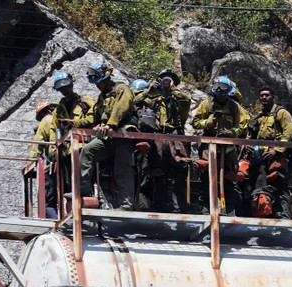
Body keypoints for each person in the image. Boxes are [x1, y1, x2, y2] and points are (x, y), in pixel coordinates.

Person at [77, 62, 136, 210]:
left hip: (123, 134)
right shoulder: (101, 97)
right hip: (107, 137)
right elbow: (94, 116)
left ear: (107, 78)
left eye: (100, 82)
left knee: (122, 168)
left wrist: (110, 124)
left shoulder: (121, 89)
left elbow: (120, 108)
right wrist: (75, 123)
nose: (98, 85)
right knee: (87, 151)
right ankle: (83, 192)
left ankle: (126, 205)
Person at [192, 76, 249, 215]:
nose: (221, 98)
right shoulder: (206, 104)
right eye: (219, 95)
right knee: (207, 177)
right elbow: (196, 122)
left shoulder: (234, 107)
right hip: (209, 145)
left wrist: (232, 133)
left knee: (228, 178)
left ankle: (227, 209)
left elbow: (242, 124)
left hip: (228, 147)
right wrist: (211, 121)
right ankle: (207, 208)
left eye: (224, 95)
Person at [141, 68, 192, 213]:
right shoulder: (154, 100)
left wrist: (172, 89)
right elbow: (136, 102)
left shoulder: (179, 100)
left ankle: (180, 208)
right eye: (163, 79)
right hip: (158, 137)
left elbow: (186, 100)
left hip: (176, 136)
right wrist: (149, 90)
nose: (165, 82)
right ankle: (159, 206)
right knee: (157, 173)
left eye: (168, 80)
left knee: (179, 174)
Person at [248, 86, 292, 219]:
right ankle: (263, 214)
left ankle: (283, 217)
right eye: (262, 95)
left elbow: (289, 133)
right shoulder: (260, 116)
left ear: (273, 97)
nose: (264, 97)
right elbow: (252, 135)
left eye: (267, 95)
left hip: (277, 157)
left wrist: (277, 150)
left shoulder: (281, 113)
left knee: (279, 186)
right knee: (260, 186)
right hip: (260, 157)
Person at [51, 71, 95, 199]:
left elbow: (94, 117)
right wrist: (54, 148)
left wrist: (74, 123)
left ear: (71, 85)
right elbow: (54, 129)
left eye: (67, 87)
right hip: (66, 150)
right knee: (68, 181)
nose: (65, 90)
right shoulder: (59, 109)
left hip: (83, 144)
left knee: (83, 175)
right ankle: (74, 203)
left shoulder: (85, 102)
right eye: (62, 89)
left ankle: (87, 197)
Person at [25, 101, 59, 219]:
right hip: (69, 162)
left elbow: (38, 144)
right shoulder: (64, 119)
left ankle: (54, 224)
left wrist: (30, 163)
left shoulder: (46, 120)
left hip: (54, 164)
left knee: (47, 202)